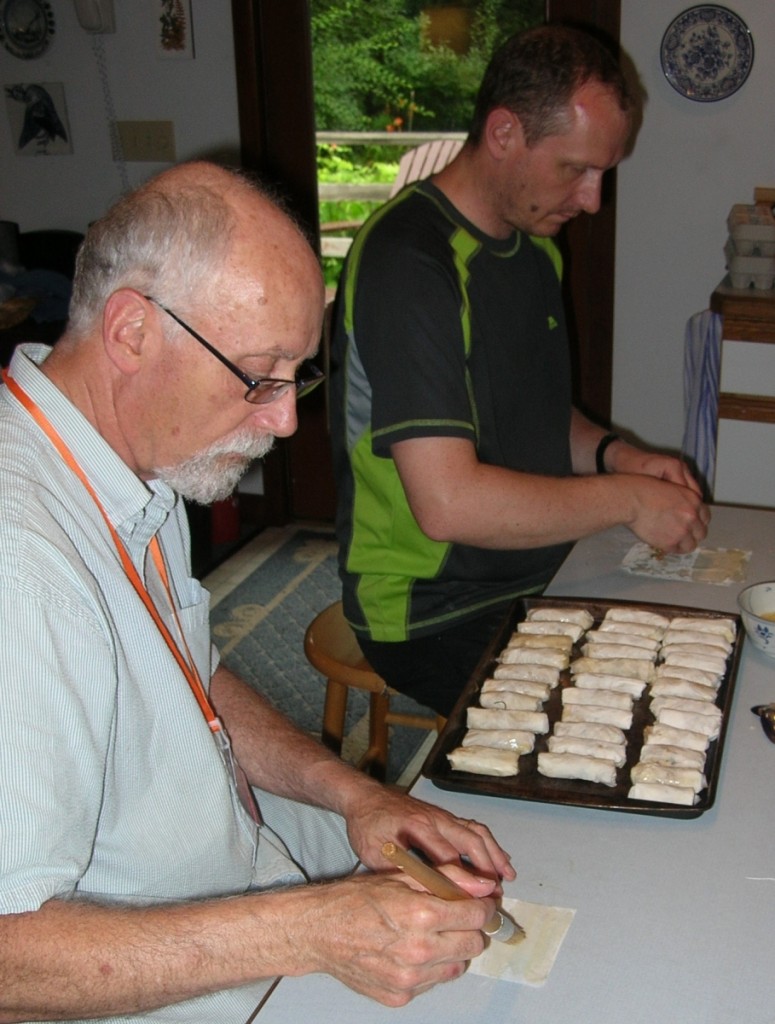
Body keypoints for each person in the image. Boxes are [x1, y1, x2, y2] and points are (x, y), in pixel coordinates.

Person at [0, 161, 516, 1023]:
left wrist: (355, 796)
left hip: (241, 874)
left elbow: (190, 679)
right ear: (131, 331)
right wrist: (309, 930)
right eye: (259, 373)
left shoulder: (131, 467)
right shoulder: (22, 571)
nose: (283, 420)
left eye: (296, 374)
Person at [329, 24, 710, 718]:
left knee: (696, 654)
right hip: (431, 610)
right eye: (575, 169)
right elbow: (448, 504)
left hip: (539, 567)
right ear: (503, 134)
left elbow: (532, 414)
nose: (592, 200)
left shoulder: (535, 251)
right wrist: (625, 499)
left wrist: (615, 454)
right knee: (632, 721)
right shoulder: (409, 263)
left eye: (604, 172)